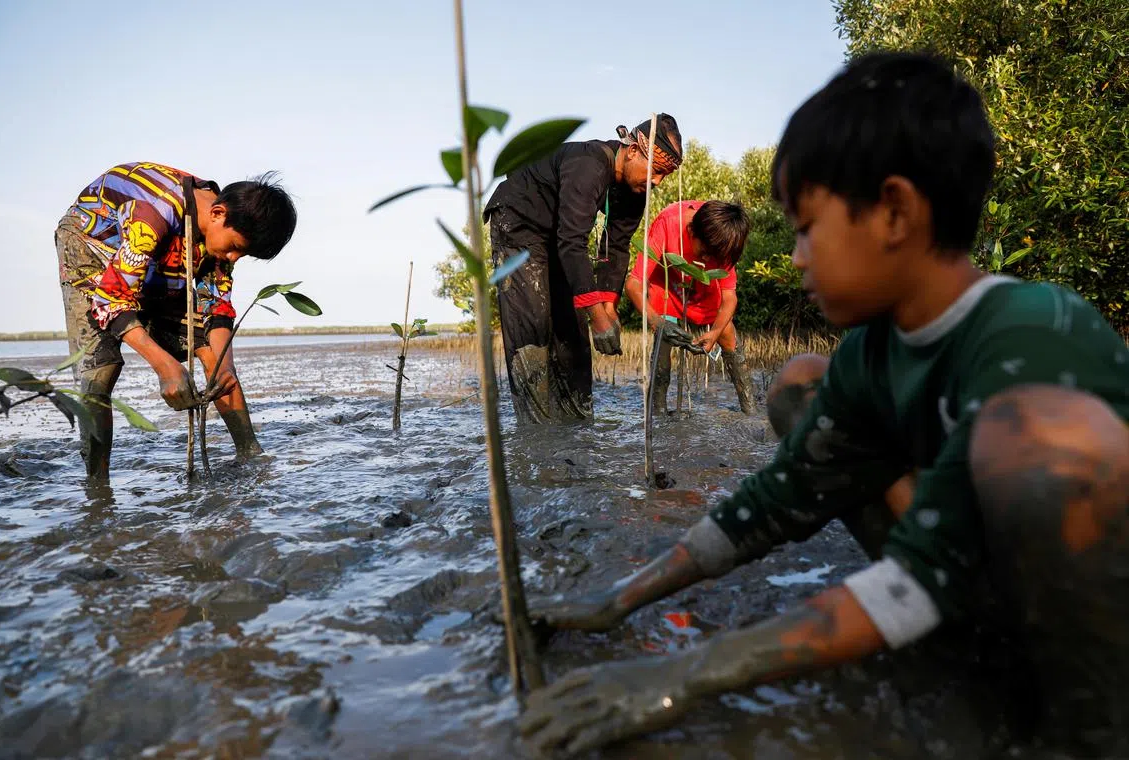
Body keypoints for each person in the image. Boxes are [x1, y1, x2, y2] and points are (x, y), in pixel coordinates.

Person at [517, 52, 1129, 757]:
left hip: (1070, 604)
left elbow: (944, 557)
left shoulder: (1032, 334)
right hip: (957, 569)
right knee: (801, 385)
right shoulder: (874, 352)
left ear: (895, 213)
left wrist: (686, 673)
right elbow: (780, 500)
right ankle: (946, 632)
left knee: (1043, 441)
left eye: (808, 228)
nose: (797, 255)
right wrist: (618, 600)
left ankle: (1087, 732)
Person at [56, 162, 297, 480]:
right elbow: (111, 300)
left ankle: (250, 452)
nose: (234, 258)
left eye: (244, 254)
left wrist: (225, 368)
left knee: (214, 358)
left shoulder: (221, 227)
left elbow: (217, 305)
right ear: (217, 214)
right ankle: (97, 482)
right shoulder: (154, 216)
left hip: (160, 251)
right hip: (92, 245)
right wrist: (165, 366)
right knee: (101, 371)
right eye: (236, 248)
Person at [483, 116, 683, 423]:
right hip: (519, 223)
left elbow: (614, 247)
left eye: (664, 176)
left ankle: (576, 427)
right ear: (632, 152)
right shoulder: (588, 164)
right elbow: (572, 242)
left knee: (573, 333)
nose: (657, 182)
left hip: (558, 237)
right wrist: (598, 317)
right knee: (532, 325)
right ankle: (535, 431)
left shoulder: (635, 193)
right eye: (656, 170)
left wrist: (608, 308)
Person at [624, 200, 753, 414]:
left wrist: (714, 332)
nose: (707, 259)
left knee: (728, 336)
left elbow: (729, 297)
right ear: (692, 231)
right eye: (704, 251)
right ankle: (657, 412)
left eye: (715, 256)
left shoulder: (726, 241)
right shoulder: (668, 223)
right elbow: (634, 284)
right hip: (668, 283)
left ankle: (750, 410)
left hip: (704, 283)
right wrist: (657, 322)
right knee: (662, 349)